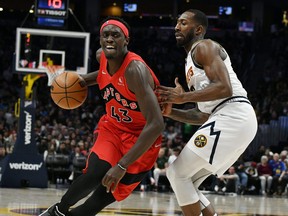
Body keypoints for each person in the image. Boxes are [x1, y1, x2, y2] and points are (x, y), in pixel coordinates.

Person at [40, 16, 164, 216]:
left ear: (126, 40)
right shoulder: (102, 56)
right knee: (96, 173)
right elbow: (103, 75)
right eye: (105, 35)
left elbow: (157, 124)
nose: (109, 39)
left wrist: (122, 165)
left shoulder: (135, 71)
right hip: (113, 128)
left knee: (100, 198)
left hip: (142, 138)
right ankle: (58, 211)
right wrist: (79, 82)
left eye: (116, 35)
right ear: (100, 39)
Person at [157, 9, 258, 216]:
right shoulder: (190, 62)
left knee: (177, 173)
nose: (177, 27)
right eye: (177, 23)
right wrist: (171, 111)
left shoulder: (204, 46)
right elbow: (203, 116)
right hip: (228, 118)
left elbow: (224, 88)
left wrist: (183, 98)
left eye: (183, 23)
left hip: (233, 114)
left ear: (198, 29)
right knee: (186, 182)